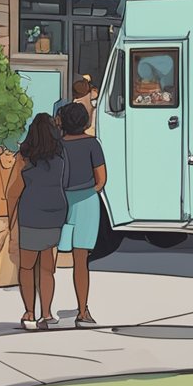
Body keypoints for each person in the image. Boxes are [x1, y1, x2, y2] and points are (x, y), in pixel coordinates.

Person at [4, 114, 67, 330]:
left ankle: (30, 313)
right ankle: (47, 313)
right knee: (47, 267)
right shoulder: (60, 155)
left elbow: (13, 192)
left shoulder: (25, 157)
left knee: (27, 266)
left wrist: (10, 218)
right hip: (55, 213)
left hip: (31, 213)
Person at [57, 103, 106, 326]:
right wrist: (88, 191)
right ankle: (83, 311)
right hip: (87, 202)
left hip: (60, 201)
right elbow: (101, 179)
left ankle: (43, 310)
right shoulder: (92, 144)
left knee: (48, 257)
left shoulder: (57, 146)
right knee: (81, 260)